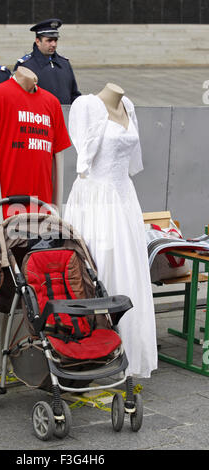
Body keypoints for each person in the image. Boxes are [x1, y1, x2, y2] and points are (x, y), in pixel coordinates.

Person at [0, 66, 71, 376]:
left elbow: (57, 163)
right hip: (1, 217)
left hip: (39, 218)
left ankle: (23, 362)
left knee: (33, 294)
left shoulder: (51, 103)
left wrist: (56, 213)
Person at [64, 83, 158, 379]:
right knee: (100, 267)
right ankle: (92, 352)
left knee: (130, 270)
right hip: (97, 198)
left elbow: (131, 162)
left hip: (125, 198)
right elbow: (85, 160)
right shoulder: (88, 107)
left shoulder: (128, 106)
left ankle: (128, 349)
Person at [13, 18, 81, 105]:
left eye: (55, 40)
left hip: (64, 117)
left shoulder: (64, 64)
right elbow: (17, 100)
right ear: (38, 41)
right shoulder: (25, 66)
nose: (54, 44)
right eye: (49, 40)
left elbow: (73, 94)